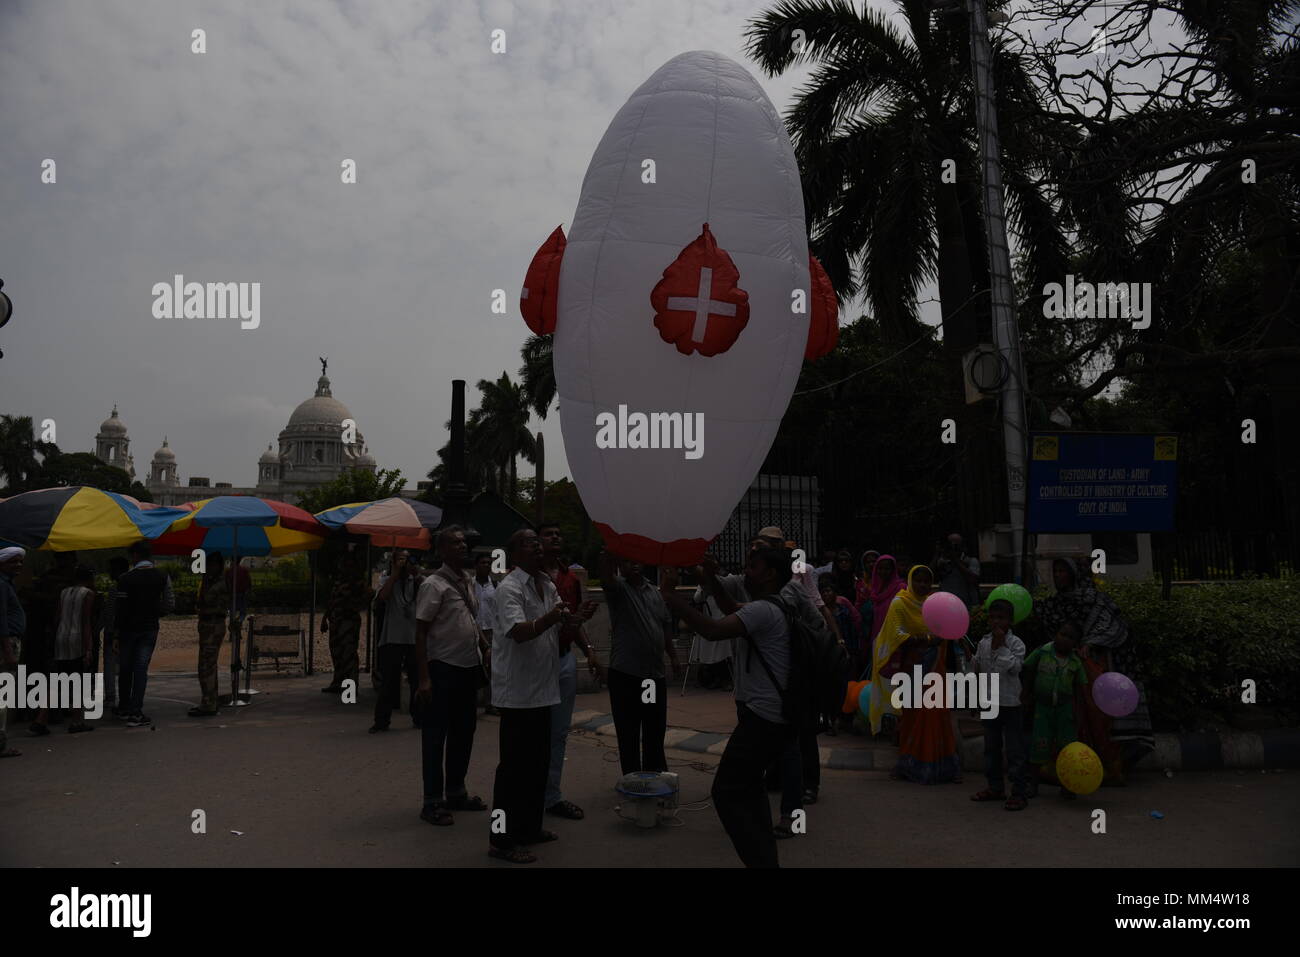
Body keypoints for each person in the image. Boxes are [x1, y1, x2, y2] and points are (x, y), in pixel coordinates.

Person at [658, 547, 798, 868]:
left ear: (770, 574)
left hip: (763, 718)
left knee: (727, 791)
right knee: (750, 787)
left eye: (753, 566)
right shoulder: (778, 605)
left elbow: (712, 629)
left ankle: (761, 861)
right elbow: (729, 607)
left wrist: (670, 596)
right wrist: (710, 578)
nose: (745, 571)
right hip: (776, 716)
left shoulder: (764, 609)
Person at [487, 528, 589, 864]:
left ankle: (529, 828)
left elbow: (562, 626)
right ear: (515, 554)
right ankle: (501, 840)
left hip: (544, 691)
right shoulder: (509, 588)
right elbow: (518, 632)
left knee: (537, 766)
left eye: (537, 543)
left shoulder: (546, 585)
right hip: (518, 694)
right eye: (529, 544)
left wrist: (577, 619)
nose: (537, 547)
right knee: (512, 771)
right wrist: (552, 617)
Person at [1036, 556, 1153, 776]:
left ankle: (1108, 766)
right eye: (1056, 571)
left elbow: (1114, 628)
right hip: (1065, 668)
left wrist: (1090, 644)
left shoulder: (1096, 600)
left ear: (1076, 574)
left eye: (1063, 571)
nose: (1058, 575)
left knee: (1098, 717)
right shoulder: (1054, 604)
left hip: (1096, 669)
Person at [414, 527, 491, 826]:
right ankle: (432, 801)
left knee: (464, 732)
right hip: (442, 668)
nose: (462, 547)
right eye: (455, 543)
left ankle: (456, 792)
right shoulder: (433, 585)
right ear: (441, 550)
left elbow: (471, 621)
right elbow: (420, 633)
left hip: (467, 668)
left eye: (463, 543)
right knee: (435, 737)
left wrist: (485, 647)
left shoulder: (467, 581)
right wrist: (424, 678)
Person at [870, 565, 961, 783]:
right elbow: (897, 634)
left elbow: (945, 628)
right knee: (912, 714)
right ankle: (908, 764)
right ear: (911, 581)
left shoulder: (934, 604)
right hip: (911, 666)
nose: (922, 585)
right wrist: (928, 640)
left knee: (936, 713)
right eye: (918, 581)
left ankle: (943, 766)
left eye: (926, 581)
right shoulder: (900, 603)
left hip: (935, 665)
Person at [541, 524, 605, 820]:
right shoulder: (530, 579)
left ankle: (551, 795)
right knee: (534, 732)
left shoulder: (569, 577)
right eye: (548, 534)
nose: (555, 537)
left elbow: (575, 622)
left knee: (559, 731)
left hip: (565, 657)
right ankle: (530, 794)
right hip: (537, 662)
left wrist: (589, 650)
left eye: (558, 533)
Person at [598, 549, 677, 776]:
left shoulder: (655, 592)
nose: (631, 564)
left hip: (652, 676)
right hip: (626, 675)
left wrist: (672, 656)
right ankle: (632, 779)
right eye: (625, 560)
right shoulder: (619, 590)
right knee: (628, 730)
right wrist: (609, 552)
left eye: (634, 560)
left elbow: (664, 626)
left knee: (654, 727)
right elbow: (605, 574)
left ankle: (655, 774)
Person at [970, 599, 1028, 810]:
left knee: (1015, 750)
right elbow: (978, 668)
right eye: (993, 617)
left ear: (1010, 621)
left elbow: (1014, 668)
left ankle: (1019, 792)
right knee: (991, 748)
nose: (996, 622)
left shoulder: (1016, 644)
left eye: (1001, 618)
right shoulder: (983, 642)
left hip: (1010, 703)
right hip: (990, 703)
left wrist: (1001, 646)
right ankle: (995, 788)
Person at [1021, 620, 1088, 798]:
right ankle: (1032, 784)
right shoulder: (1042, 652)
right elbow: (1028, 669)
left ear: (1076, 644)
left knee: (1067, 748)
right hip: (1042, 709)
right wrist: (1025, 694)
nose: (1065, 639)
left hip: (1065, 710)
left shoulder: (1076, 662)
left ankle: (1067, 786)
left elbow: (1080, 689)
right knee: (1038, 745)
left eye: (1071, 638)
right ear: (1055, 634)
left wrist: (1079, 713)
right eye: (1063, 634)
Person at [30, 565, 97, 735]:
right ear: (89, 579)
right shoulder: (88, 594)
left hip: (61, 638)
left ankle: (40, 720)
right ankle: (76, 721)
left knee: (58, 681)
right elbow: (86, 621)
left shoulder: (64, 592)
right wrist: (89, 648)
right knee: (77, 681)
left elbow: (57, 617)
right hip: (77, 640)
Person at [114, 542, 175, 727]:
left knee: (125, 668)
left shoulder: (124, 579)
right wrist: (157, 612)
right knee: (141, 669)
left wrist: (116, 634)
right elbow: (170, 603)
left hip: (127, 630)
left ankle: (123, 707)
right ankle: (136, 712)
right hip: (149, 628)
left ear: (135, 556)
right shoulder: (162, 576)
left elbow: (120, 609)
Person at [371, 549, 420, 733]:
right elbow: (382, 597)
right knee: (388, 682)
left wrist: (415, 574)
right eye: (400, 559)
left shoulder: (415, 581)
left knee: (416, 679)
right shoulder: (386, 580)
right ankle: (381, 721)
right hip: (392, 637)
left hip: (413, 638)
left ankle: (419, 718)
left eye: (406, 559)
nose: (404, 562)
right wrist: (395, 573)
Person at [321, 550, 371, 694]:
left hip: (349, 622)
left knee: (348, 654)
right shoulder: (339, 580)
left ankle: (351, 687)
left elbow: (369, 595)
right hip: (336, 621)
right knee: (336, 653)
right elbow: (332, 601)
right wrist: (325, 619)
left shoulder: (358, 582)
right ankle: (338, 682)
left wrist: (355, 605)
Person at [189, 552, 228, 717]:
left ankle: (209, 703)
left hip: (213, 625)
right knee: (206, 665)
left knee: (207, 666)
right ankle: (210, 699)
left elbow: (209, 601)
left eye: (212, 564)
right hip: (207, 625)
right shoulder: (209, 581)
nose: (209, 567)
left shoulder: (219, 584)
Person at [0, 546, 28, 756]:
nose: (18, 565)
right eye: (12, 561)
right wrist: (8, 651)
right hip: (6, 644)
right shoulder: (1, 585)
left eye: (19, 561)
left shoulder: (7, 584)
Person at [861, 554, 904, 662]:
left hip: (893, 634)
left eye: (887, 568)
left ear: (893, 570)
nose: (883, 572)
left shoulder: (901, 588)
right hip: (877, 633)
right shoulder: (875, 589)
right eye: (880, 568)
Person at [101, 556, 129, 715]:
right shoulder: (131, 586)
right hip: (127, 631)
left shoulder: (115, 588)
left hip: (114, 632)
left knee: (110, 666)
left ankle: (111, 696)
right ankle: (124, 698)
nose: (110, 572)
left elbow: (111, 613)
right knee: (126, 666)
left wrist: (110, 631)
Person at [472, 552, 499, 715]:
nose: (486, 566)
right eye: (482, 562)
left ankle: (491, 703)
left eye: (488, 563)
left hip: (491, 631)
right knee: (473, 667)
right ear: (476, 565)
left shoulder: (495, 586)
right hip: (473, 631)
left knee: (493, 669)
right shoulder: (469, 584)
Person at [934, 533, 981, 610]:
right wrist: (937, 554)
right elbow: (929, 575)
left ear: (962, 546)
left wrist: (955, 560)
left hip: (967, 606)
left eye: (956, 544)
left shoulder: (971, 561)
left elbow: (973, 579)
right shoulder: (942, 561)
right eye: (950, 544)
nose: (953, 547)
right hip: (946, 606)